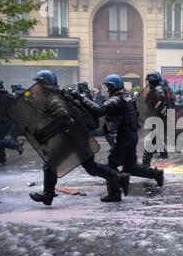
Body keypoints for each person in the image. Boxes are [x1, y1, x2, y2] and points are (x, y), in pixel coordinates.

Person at [28, 70, 130, 206]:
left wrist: (47, 131)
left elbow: (63, 118)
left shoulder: (54, 97)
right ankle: (120, 177)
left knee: (51, 165)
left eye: (38, 82)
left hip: (72, 137)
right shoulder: (54, 95)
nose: (37, 85)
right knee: (90, 167)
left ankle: (48, 195)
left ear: (44, 83)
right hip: (76, 136)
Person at [72, 74, 165, 202]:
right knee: (130, 167)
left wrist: (80, 98)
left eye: (107, 87)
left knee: (111, 167)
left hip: (125, 137)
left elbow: (99, 111)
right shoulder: (127, 97)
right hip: (131, 135)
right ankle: (155, 174)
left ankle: (114, 194)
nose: (106, 90)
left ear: (112, 87)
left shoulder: (116, 100)